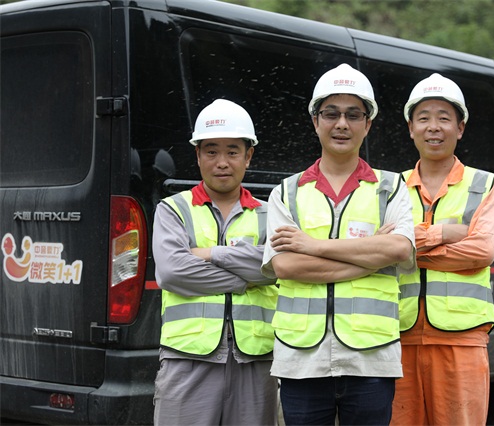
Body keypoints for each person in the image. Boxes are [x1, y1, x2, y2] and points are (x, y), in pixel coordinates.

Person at [261, 63, 416, 426]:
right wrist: (371, 254)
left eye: (353, 114)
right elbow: (285, 265)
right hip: (302, 358)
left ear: (368, 124)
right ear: (315, 121)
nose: (342, 124)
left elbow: (399, 250)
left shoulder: (391, 187)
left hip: (371, 358)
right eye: (331, 114)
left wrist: (311, 245)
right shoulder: (287, 192)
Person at [152, 99, 279, 426]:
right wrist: (247, 279)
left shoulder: (270, 214)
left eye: (233, 152)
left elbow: (277, 266)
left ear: (248, 156)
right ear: (197, 156)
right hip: (187, 358)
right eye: (211, 151)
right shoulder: (173, 209)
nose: (222, 162)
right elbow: (173, 271)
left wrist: (212, 253)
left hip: (256, 359)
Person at [390, 73, 494, 426]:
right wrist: (446, 233)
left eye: (444, 118)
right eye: (423, 118)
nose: (433, 127)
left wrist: (410, 247)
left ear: (460, 127)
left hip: (462, 340)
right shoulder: (389, 187)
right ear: (411, 128)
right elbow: (381, 248)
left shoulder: (483, 184)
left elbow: (481, 251)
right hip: (398, 335)